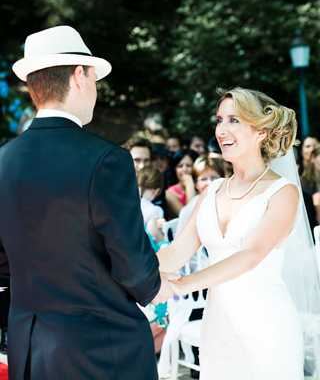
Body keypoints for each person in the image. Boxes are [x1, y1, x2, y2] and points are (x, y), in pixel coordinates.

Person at [0, 25, 171, 380]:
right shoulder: (106, 159)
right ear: (79, 76)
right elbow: (133, 265)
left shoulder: (3, 161)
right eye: (94, 78)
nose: (95, 90)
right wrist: (157, 287)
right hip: (101, 350)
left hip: (29, 350)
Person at [158, 87, 307, 380]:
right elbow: (177, 253)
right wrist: (130, 272)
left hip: (267, 326)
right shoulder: (212, 191)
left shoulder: (283, 192)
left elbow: (250, 255)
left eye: (234, 120)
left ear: (261, 133)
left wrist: (179, 286)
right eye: (219, 119)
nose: (222, 129)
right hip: (218, 327)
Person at [165, 149, 198, 217]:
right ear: (175, 169)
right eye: (180, 166)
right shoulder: (170, 193)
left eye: (188, 165)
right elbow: (187, 217)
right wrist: (189, 185)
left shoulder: (201, 186)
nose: (184, 169)